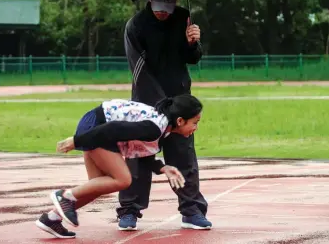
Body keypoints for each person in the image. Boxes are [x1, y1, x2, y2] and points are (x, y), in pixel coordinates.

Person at [34, 94, 203, 239]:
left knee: (97, 185)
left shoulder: (162, 128)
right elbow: (113, 128)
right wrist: (77, 141)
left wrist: (162, 168)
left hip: (98, 128)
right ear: (180, 120)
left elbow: (140, 154)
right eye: (195, 122)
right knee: (123, 180)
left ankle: (51, 218)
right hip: (97, 128)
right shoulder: (154, 128)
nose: (196, 128)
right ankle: (64, 196)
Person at [117, 0, 212, 231]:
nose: (163, 12)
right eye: (159, 7)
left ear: (177, 1)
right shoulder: (135, 25)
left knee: (183, 155)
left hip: (180, 100)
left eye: (168, 7)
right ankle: (129, 210)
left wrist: (193, 43)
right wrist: (163, 105)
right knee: (138, 154)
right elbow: (138, 69)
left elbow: (192, 58)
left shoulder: (183, 18)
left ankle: (191, 210)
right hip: (146, 102)